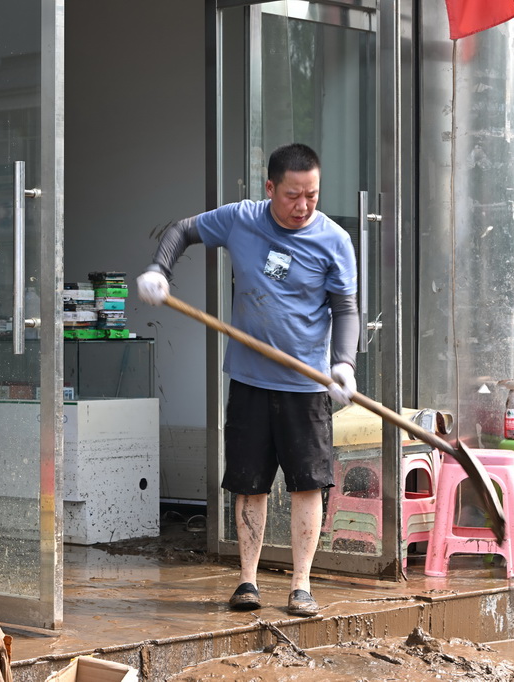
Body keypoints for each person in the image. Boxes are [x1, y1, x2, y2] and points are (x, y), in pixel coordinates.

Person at [137, 143, 359, 617]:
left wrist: (344, 363)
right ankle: (247, 582)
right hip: (251, 381)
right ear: (270, 188)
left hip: (306, 386)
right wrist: (160, 268)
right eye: (293, 196)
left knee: (308, 484)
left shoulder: (335, 240)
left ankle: (301, 585)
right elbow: (181, 230)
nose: (303, 206)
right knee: (250, 484)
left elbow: (345, 308)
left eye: (312, 196)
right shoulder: (242, 219)